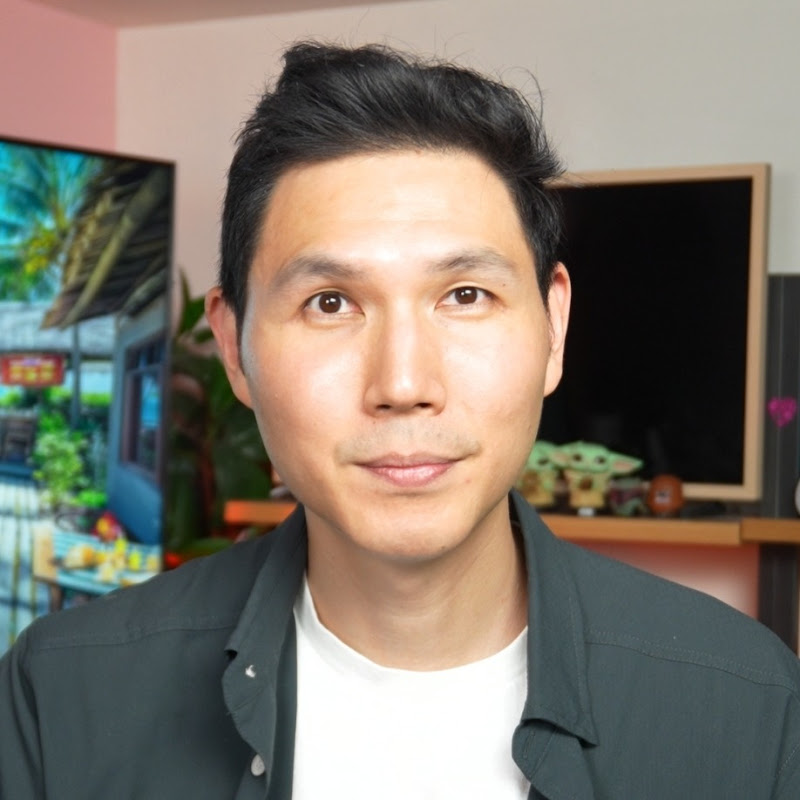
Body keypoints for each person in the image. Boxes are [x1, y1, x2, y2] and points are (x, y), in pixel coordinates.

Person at [1, 41, 799, 800]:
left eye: (465, 296)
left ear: (553, 328)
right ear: (235, 349)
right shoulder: (62, 696)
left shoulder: (745, 707)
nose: (404, 384)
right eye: (330, 303)